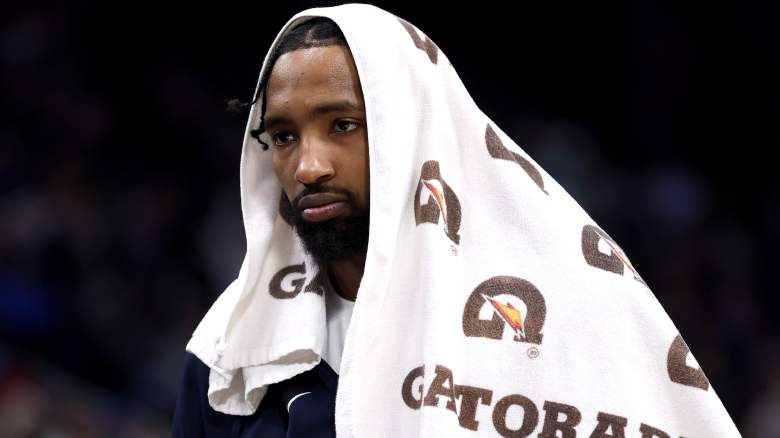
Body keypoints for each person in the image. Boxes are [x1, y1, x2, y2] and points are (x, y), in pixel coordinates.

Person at [172, 4, 742, 437]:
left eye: (342, 124)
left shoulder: (559, 313)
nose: (309, 166)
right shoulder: (229, 354)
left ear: (413, 127)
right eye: (284, 137)